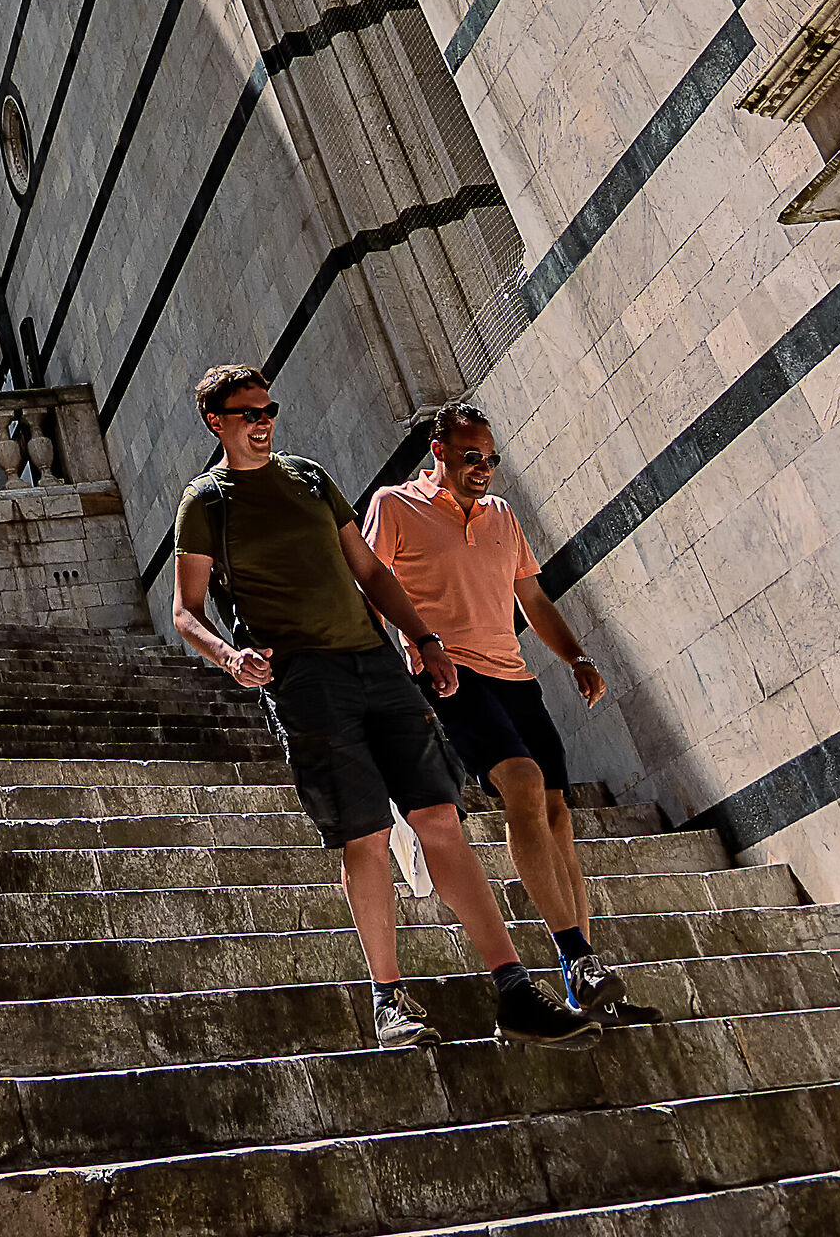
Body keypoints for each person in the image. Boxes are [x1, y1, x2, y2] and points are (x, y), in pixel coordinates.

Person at [171, 364, 596, 1051]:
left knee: (440, 818)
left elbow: (369, 570)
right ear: (216, 422)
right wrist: (230, 657)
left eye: (268, 408)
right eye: (247, 413)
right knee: (364, 836)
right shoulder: (208, 502)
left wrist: (425, 640)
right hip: (305, 682)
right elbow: (185, 610)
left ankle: (515, 989)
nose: (262, 422)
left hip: (376, 666)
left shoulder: (308, 478)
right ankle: (389, 999)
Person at [366, 402, 652, 1023]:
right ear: (437, 450)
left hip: (515, 677)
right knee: (520, 783)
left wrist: (576, 657)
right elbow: (369, 583)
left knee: (556, 816)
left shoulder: (501, 516)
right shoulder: (393, 505)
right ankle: (573, 954)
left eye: (491, 459)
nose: (484, 469)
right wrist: (409, 656)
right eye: (472, 457)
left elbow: (532, 597)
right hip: (449, 675)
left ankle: (584, 976)